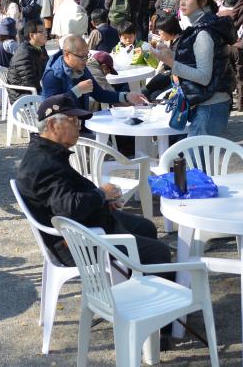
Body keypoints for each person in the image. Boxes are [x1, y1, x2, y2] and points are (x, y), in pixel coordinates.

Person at [15, 94, 171, 269]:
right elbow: (69, 208)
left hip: (82, 226)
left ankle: (133, 276)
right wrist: (101, 194)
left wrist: (102, 199)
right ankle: (143, 289)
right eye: (73, 121)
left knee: (146, 227)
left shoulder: (47, 151)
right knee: (159, 253)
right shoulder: (44, 163)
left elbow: (66, 197)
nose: (78, 127)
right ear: (52, 125)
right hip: (75, 243)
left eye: (78, 122)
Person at [154, 0, 235, 137]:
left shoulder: (204, 33)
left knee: (196, 159)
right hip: (207, 102)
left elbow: (204, 77)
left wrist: (170, 62)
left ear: (203, 1)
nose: (182, 3)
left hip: (211, 104)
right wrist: (171, 55)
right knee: (197, 158)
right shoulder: (202, 27)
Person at [42, 34, 146, 111]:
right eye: (82, 57)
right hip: (60, 132)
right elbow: (50, 108)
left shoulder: (81, 68)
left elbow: (99, 94)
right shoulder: (53, 75)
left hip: (80, 122)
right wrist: (77, 91)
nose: (86, 61)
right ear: (67, 55)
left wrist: (126, 96)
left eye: (87, 56)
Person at [6, 21, 48, 102]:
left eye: (45, 31)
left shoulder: (40, 48)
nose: (45, 34)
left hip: (33, 91)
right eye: (41, 31)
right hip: (23, 96)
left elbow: (48, 69)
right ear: (32, 35)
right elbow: (30, 83)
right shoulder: (24, 54)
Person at [143, 16, 182, 98]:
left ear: (169, 29)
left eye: (161, 30)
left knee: (153, 96)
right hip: (169, 74)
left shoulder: (181, 43)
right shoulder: (173, 40)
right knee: (146, 90)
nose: (159, 32)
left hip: (178, 79)